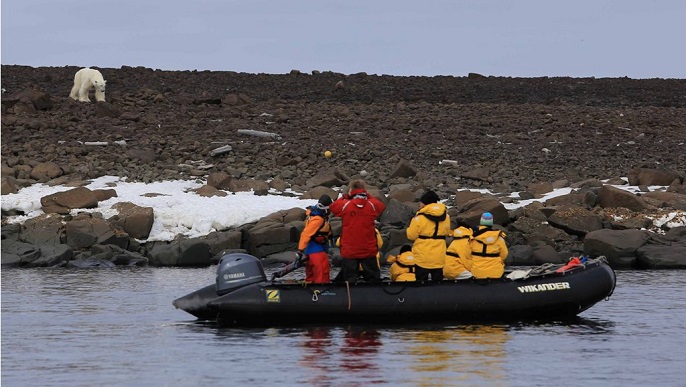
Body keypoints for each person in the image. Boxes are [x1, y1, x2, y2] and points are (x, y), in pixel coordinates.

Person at [329, 180, 386, 282]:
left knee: (349, 280)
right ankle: (376, 295)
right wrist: (367, 195)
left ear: (352, 190)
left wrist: (346, 196)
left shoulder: (345, 205)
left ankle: (348, 295)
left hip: (350, 250)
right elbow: (381, 206)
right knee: (373, 279)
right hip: (368, 249)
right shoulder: (371, 205)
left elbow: (333, 207)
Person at [406, 190, 451, 282]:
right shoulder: (446, 217)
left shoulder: (419, 218)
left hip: (422, 255)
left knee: (421, 283)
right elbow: (446, 232)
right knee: (438, 282)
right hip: (439, 254)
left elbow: (411, 236)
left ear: (424, 203)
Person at [298, 194, 334, 283]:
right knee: (322, 272)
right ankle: (321, 291)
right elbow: (306, 234)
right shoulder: (318, 219)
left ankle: (310, 289)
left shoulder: (318, 216)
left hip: (313, 250)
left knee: (311, 274)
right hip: (316, 251)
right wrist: (300, 250)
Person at [469, 212, 509, 279]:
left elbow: (467, 254)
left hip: (476, 273)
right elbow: (504, 254)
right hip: (496, 273)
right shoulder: (499, 238)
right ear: (491, 223)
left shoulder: (472, 238)